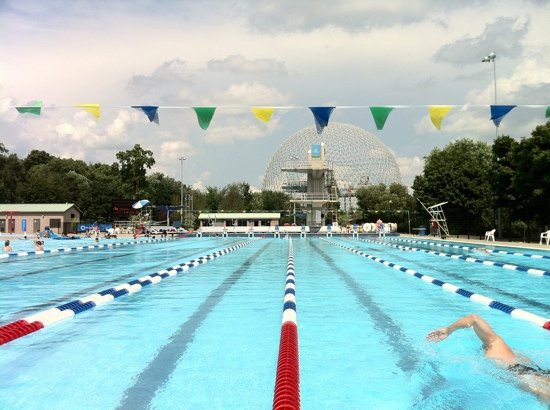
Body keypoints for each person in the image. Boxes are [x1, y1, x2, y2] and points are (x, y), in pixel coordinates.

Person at [427, 314, 550, 403]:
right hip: (537, 372)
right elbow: (473, 319)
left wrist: (448, 330)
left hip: (523, 375)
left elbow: (474, 318)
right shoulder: (504, 348)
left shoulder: (493, 346)